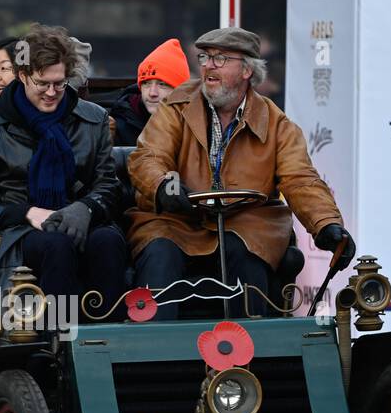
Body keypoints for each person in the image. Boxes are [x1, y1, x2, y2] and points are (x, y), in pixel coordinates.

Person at [127, 27, 354, 320]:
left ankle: (250, 360)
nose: (208, 65)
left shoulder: (276, 124)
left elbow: (300, 179)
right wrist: (162, 188)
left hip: (246, 224)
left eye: (220, 59)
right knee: (159, 252)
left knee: (246, 252)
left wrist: (326, 224)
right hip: (177, 221)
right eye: (205, 57)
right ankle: (151, 356)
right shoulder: (177, 105)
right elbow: (148, 156)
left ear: (247, 69)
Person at [0, 24, 127, 315]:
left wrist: (85, 209)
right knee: (56, 245)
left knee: (108, 240)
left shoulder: (92, 119)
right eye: (42, 84)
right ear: (22, 76)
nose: (52, 93)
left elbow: (108, 186)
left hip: (80, 221)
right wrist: (25, 213)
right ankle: (58, 343)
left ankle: (109, 339)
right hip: (19, 233)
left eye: (59, 84)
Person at [109, 38, 190, 147]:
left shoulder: (198, 124)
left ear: (180, 90)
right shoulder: (117, 125)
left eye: (162, 84)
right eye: (146, 83)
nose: (152, 93)